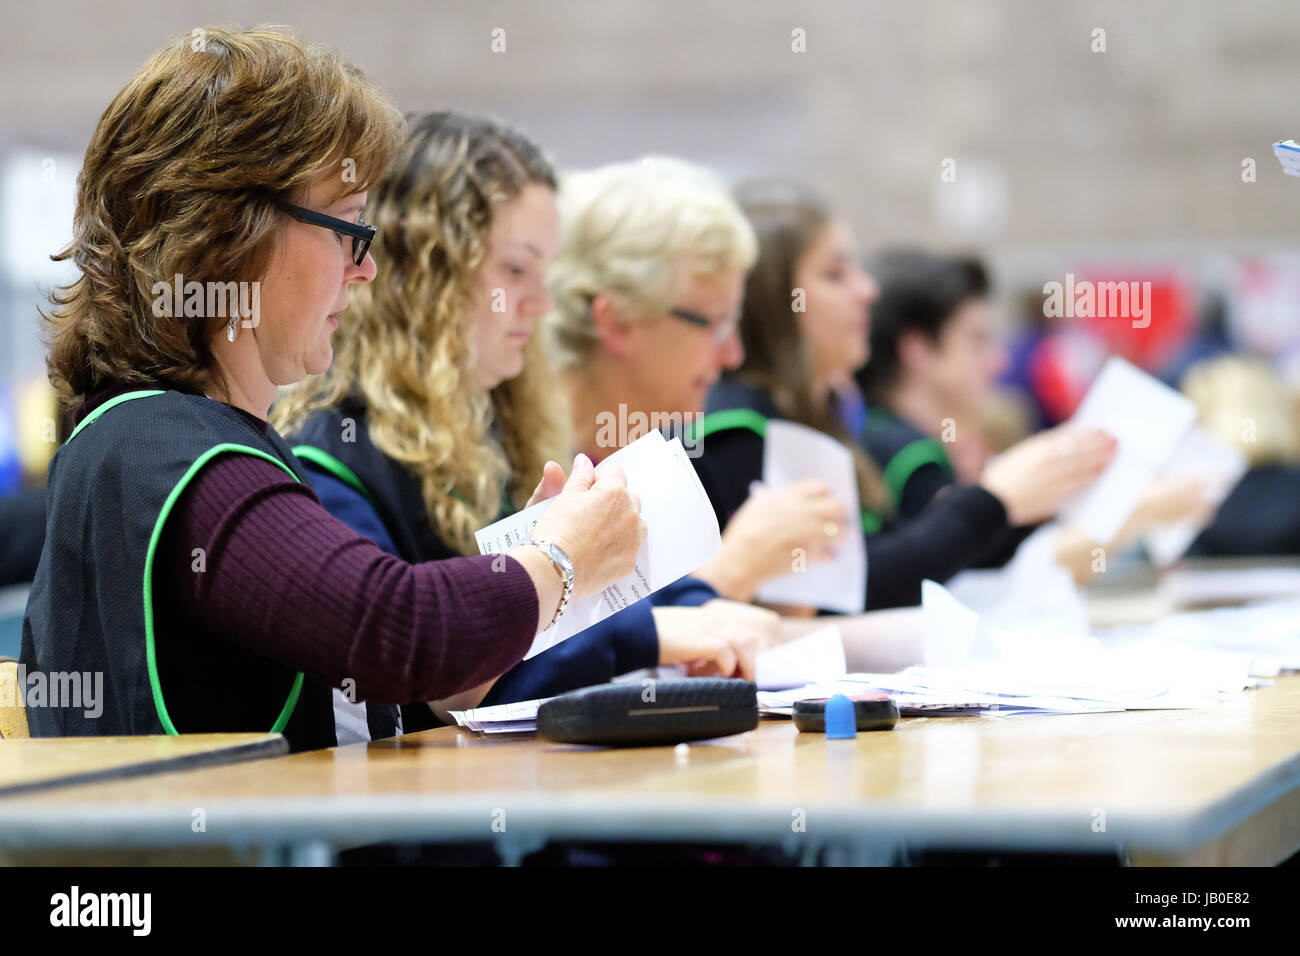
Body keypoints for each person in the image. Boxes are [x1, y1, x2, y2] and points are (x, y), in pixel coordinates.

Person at [20, 28, 643, 753]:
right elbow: (396, 632)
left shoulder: (200, 438)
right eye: (346, 226)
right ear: (225, 236)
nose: (365, 269)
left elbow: (407, 677)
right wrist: (559, 561)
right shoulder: (158, 447)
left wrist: (536, 571)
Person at [274, 114, 767, 731]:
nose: (542, 302)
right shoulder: (332, 457)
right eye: (515, 270)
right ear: (424, 276)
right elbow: (428, 686)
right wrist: (646, 634)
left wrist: (690, 610)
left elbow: (567, 611)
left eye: (545, 271)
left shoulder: (490, 429)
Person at [691, 183, 1118, 609]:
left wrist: (1023, 498)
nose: (867, 291)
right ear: (775, 301)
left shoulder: (818, 415)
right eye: (835, 275)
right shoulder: (736, 427)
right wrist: (995, 498)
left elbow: (913, 561)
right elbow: (850, 591)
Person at [859, 248, 1213, 579]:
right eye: (977, 340)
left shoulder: (893, 441)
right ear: (917, 350)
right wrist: (1139, 510)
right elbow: (987, 581)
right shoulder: (905, 457)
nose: (998, 361)